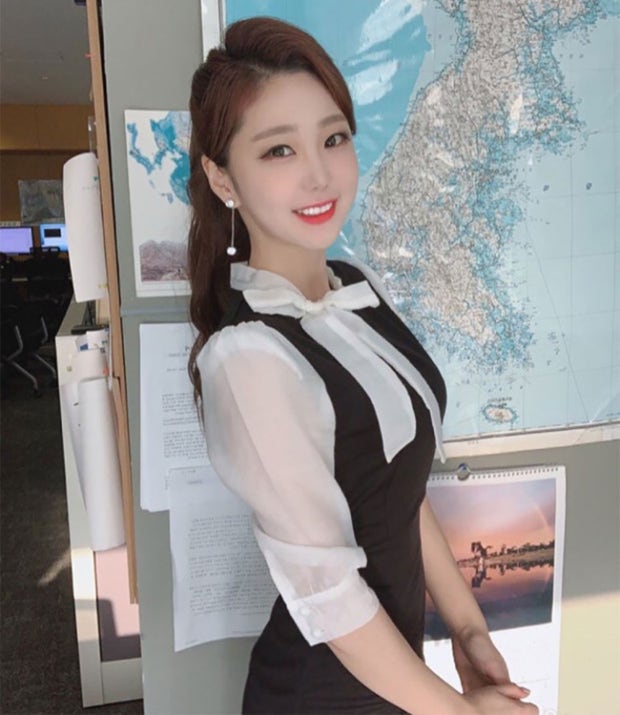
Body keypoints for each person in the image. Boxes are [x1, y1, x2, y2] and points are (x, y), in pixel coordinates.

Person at [187, 16, 538, 715]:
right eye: (279, 149)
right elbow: (330, 595)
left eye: (333, 138)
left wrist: (467, 627)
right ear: (222, 177)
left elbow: (398, 486)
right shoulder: (249, 358)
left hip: (400, 677)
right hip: (324, 694)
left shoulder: (355, 287)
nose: (319, 173)